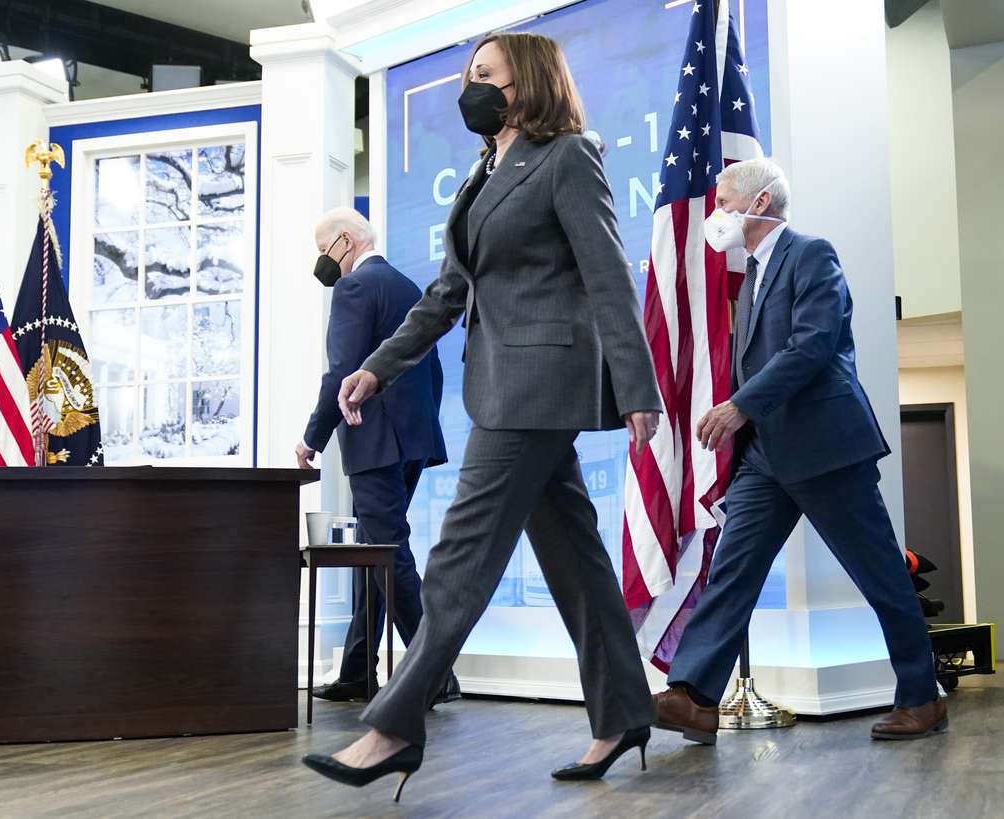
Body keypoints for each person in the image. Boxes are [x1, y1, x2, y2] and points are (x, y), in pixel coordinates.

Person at [300, 32, 663, 800]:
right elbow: (444, 295)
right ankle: (626, 711)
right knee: (575, 558)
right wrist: (375, 366)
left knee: (459, 554)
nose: (472, 88)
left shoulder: (567, 156)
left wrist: (637, 388)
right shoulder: (482, 174)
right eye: (469, 76)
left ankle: (395, 725)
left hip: (539, 384)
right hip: (500, 384)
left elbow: (608, 277)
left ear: (526, 82)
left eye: (485, 75)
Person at [651, 158, 947, 745]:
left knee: (882, 574)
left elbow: (811, 347)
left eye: (725, 202)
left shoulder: (811, 254)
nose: (716, 214)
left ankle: (921, 697)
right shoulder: (755, 272)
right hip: (766, 456)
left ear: (759, 204)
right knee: (732, 571)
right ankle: (695, 696)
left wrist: (740, 406)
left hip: (825, 448)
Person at [296, 207, 459, 706]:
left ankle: (435, 674)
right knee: (375, 549)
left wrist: (312, 438)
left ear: (345, 241)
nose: (323, 261)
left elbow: (342, 372)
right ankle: (356, 670)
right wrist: (422, 433)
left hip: (374, 440)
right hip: (413, 441)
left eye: (324, 250)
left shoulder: (353, 288)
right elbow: (432, 374)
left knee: (388, 553)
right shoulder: (409, 287)